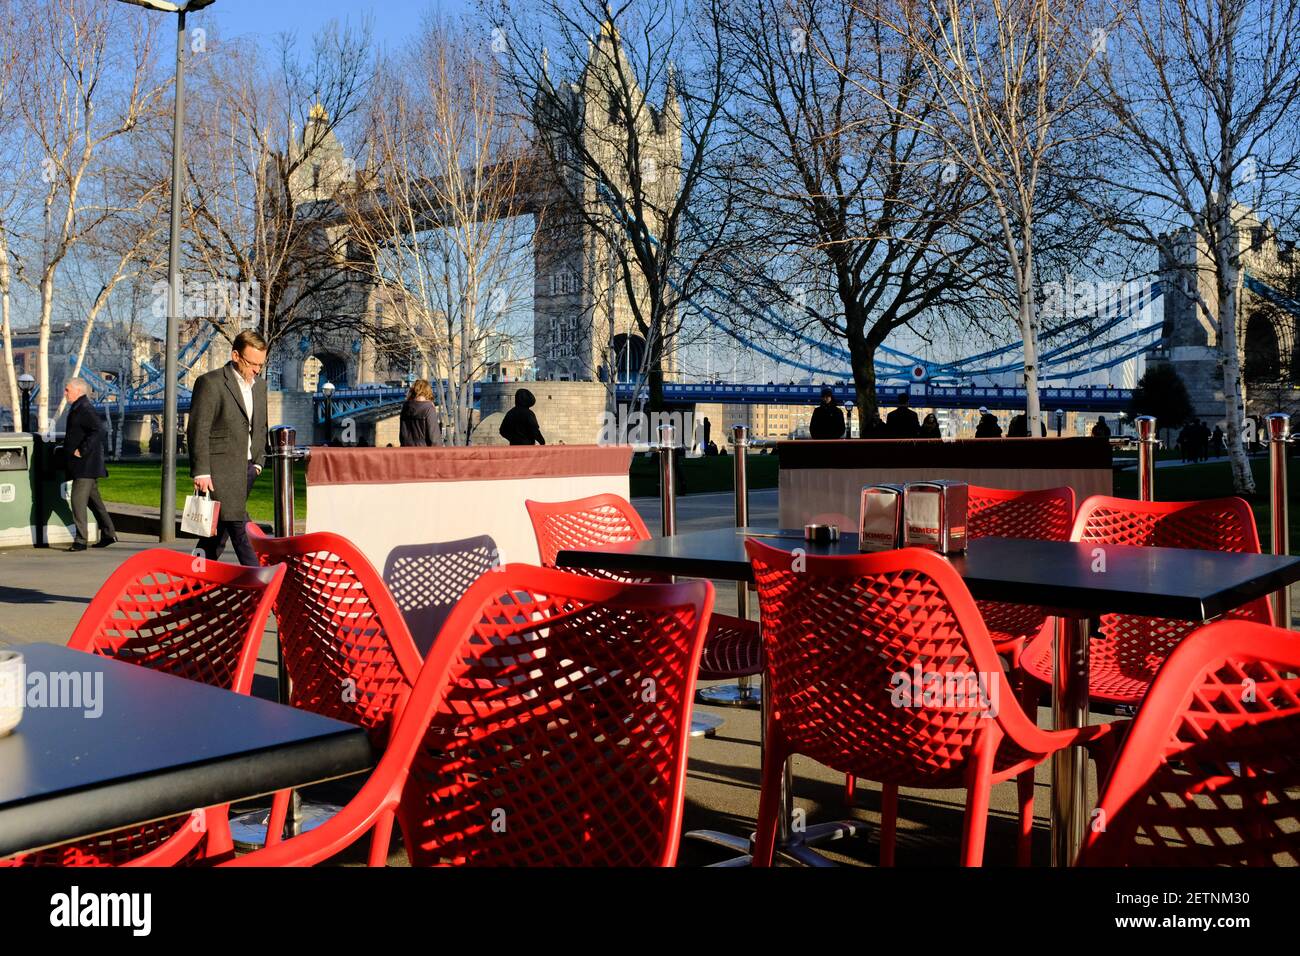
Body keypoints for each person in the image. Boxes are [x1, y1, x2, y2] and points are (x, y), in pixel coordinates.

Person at [187, 329, 270, 567]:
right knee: (239, 528)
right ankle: (260, 585)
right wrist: (201, 471)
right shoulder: (210, 383)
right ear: (235, 355)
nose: (256, 370)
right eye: (252, 363)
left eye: (260, 365)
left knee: (214, 536)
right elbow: (198, 429)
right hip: (218, 471)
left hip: (247, 468)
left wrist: (258, 463)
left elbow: (260, 426)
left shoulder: (260, 386)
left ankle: (189, 591)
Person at [62, 377, 117, 552]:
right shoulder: (79, 406)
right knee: (94, 502)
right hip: (84, 465)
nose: (65, 393)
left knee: (77, 501)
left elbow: (99, 430)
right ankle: (109, 533)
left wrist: (82, 449)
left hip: (85, 464)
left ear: (78, 391)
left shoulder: (84, 408)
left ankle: (80, 540)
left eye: (67, 390)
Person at [399, 379, 442, 447]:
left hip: (406, 452)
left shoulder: (405, 407)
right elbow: (434, 438)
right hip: (423, 453)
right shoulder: (428, 408)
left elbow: (402, 435)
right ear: (428, 392)